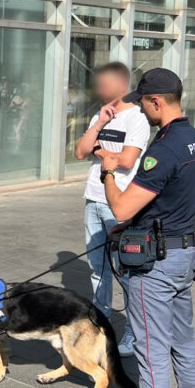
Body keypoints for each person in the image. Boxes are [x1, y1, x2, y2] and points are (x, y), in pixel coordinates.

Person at [95, 68, 195, 388]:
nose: (141, 108)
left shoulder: (166, 148)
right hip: (184, 253)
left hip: (155, 266)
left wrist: (109, 170)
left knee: (151, 352)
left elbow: (123, 207)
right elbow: (169, 200)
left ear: (157, 102)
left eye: (143, 102)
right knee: (184, 340)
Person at [73, 62, 149, 357]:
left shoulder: (137, 119)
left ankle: (133, 331)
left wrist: (101, 151)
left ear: (122, 85)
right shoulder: (100, 114)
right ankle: (100, 326)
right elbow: (80, 151)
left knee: (127, 271)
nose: (99, 89)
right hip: (93, 198)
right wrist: (98, 125)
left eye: (105, 84)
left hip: (119, 203)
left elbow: (128, 161)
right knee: (98, 269)